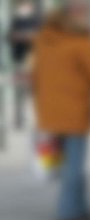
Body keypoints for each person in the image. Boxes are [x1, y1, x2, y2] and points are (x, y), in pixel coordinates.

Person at [31, 0, 90, 220]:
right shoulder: (81, 42)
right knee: (73, 166)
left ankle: (81, 208)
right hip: (74, 112)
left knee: (68, 164)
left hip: (50, 113)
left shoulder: (44, 40)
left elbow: (35, 75)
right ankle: (68, 214)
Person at [8, 0, 40, 129]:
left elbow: (39, 37)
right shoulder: (15, 21)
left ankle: (35, 117)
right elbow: (10, 36)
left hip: (33, 59)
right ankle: (19, 118)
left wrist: (30, 37)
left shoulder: (36, 20)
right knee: (19, 90)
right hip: (19, 58)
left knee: (33, 89)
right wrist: (19, 36)